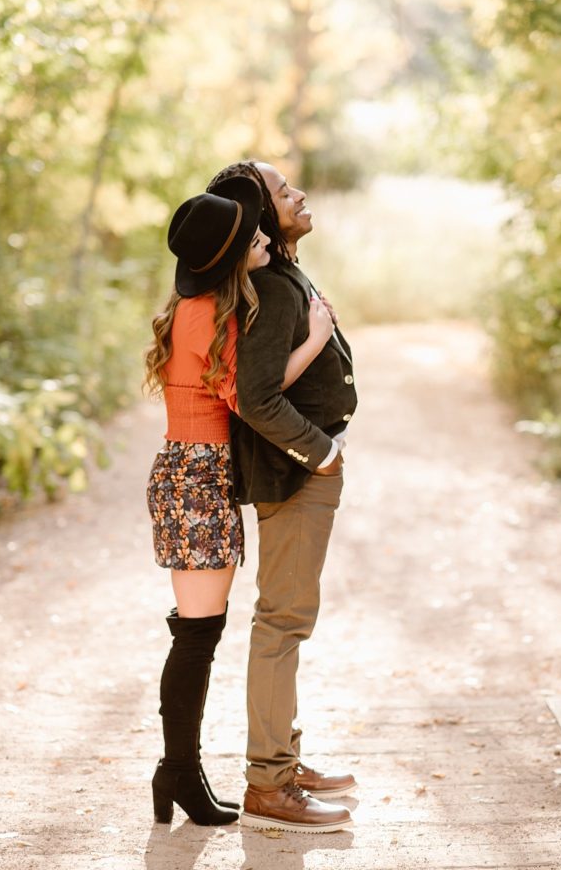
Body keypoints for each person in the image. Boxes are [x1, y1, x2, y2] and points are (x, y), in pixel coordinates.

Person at [143, 177, 334, 827]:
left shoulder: (199, 307)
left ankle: (181, 772)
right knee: (196, 636)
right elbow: (253, 398)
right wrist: (315, 338)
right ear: (229, 256)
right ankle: (178, 772)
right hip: (195, 478)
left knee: (199, 633)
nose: (261, 238)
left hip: (198, 475)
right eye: (249, 237)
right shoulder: (205, 315)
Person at [207, 161, 359, 834]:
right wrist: (321, 453)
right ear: (263, 215)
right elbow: (256, 397)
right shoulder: (271, 286)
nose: (299, 195)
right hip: (296, 475)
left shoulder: (283, 272)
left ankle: (283, 762)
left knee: (287, 619)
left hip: (305, 472)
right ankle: (269, 783)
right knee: (282, 622)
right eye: (284, 191)